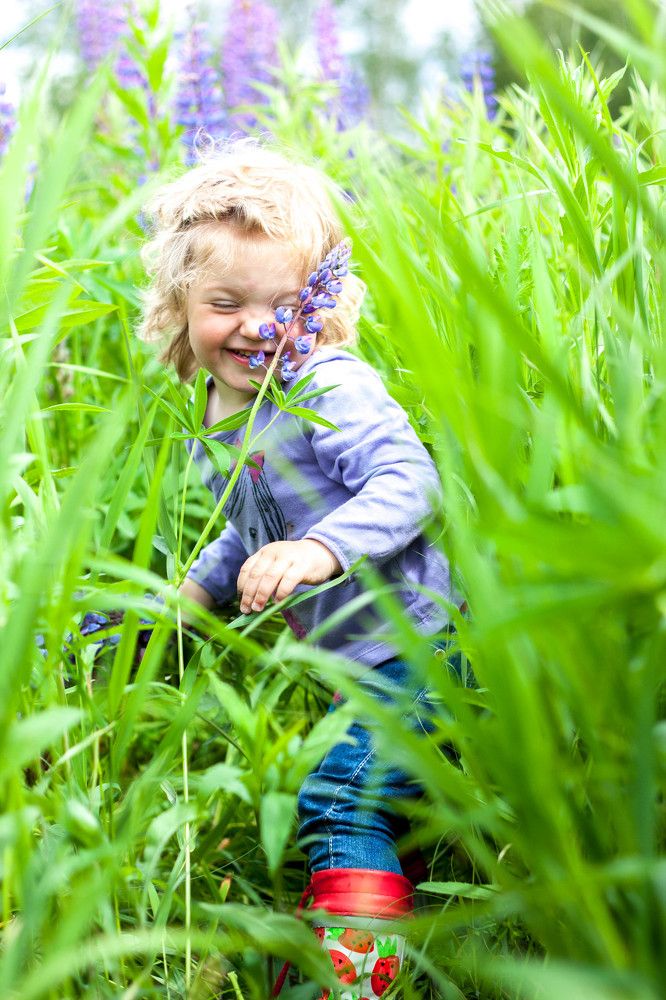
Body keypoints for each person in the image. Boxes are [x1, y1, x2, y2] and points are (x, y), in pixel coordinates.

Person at [139, 140, 453, 999]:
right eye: (226, 303)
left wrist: (319, 550)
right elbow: (255, 523)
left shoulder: (324, 382)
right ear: (179, 304)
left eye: (286, 304)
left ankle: (351, 983)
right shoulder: (220, 406)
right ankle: (381, 925)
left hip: (420, 650)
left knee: (339, 798)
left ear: (324, 298)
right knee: (385, 802)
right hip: (355, 665)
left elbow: (410, 480)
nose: (259, 327)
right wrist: (197, 590)